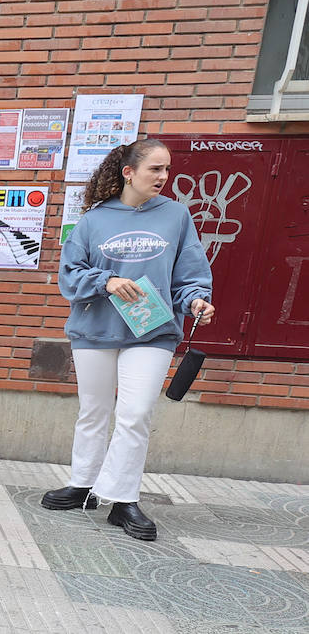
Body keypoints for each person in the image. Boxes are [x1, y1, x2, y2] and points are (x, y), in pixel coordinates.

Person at [44, 139, 214, 540]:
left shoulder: (175, 216)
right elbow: (69, 275)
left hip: (151, 331)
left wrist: (196, 302)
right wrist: (108, 281)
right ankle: (83, 485)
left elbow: (189, 271)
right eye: (155, 169)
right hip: (96, 328)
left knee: (135, 414)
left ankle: (123, 500)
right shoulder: (94, 220)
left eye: (167, 170)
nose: (164, 177)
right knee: (93, 411)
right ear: (129, 172)